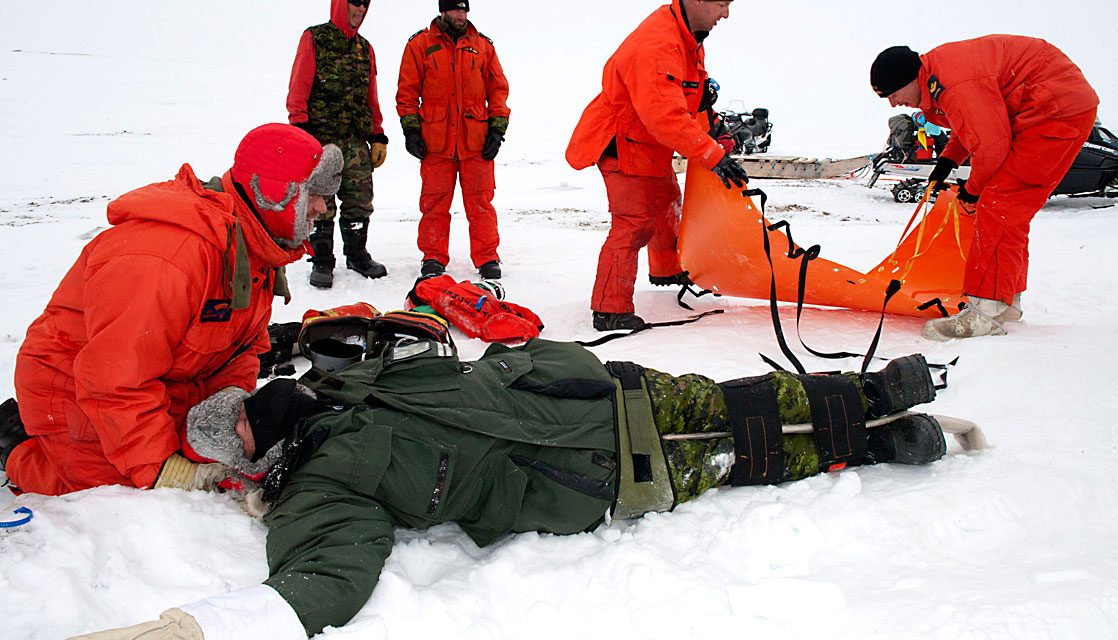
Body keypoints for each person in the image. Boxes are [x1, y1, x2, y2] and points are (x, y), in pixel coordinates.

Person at [70, 338, 957, 639]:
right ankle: (875, 451)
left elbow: (419, 345)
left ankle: (872, 397)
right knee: (733, 454)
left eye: (256, 405)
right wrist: (191, 628)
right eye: (251, 428)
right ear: (252, 466)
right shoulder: (317, 495)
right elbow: (322, 581)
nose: (267, 412)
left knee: (734, 402)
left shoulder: (333, 390)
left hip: (585, 389)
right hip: (590, 475)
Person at [0, 124, 344, 496]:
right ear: (275, 193)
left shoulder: (251, 248)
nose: (322, 208)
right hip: (75, 390)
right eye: (314, 194)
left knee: (198, 457)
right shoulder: (168, 258)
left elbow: (243, 349)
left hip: (161, 383)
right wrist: (161, 469)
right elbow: (113, 381)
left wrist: (226, 411)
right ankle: (15, 443)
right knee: (112, 492)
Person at [870, 36, 1099, 340]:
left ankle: (985, 314)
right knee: (1008, 208)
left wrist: (972, 190)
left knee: (998, 203)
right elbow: (974, 124)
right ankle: (1004, 302)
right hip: (1046, 106)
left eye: (893, 93)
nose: (894, 102)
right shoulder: (941, 76)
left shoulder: (953, 82)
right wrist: (949, 160)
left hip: (1052, 110)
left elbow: (991, 146)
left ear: (910, 79)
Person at [566, 0, 749, 332]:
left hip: (649, 146)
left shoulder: (690, 36)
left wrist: (713, 126)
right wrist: (712, 155)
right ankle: (609, 308)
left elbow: (688, 95)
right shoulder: (659, 45)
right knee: (633, 224)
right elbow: (664, 116)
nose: (725, 14)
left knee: (667, 202)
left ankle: (666, 269)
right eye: (721, 4)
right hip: (622, 143)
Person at [396, 0, 511, 280]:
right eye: (456, 10)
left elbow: (498, 91)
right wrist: (411, 130)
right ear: (443, 11)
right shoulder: (420, 44)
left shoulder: (483, 46)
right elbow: (407, 91)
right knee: (434, 202)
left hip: (476, 141)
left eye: (464, 10)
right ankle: (433, 256)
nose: (461, 16)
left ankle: (487, 257)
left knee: (481, 202)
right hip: (435, 141)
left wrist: (497, 130)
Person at [288, 0, 390, 288]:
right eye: (354, 4)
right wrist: (299, 129)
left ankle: (357, 255)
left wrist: (377, 134)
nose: (360, 11)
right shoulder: (315, 38)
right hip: (320, 139)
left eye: (364, 6)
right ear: (340, 5)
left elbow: (371, 96)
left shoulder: (364, 48)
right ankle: (322, 260)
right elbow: (299, 86)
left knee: (359, 199)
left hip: (356, 138)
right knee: (321, 202)